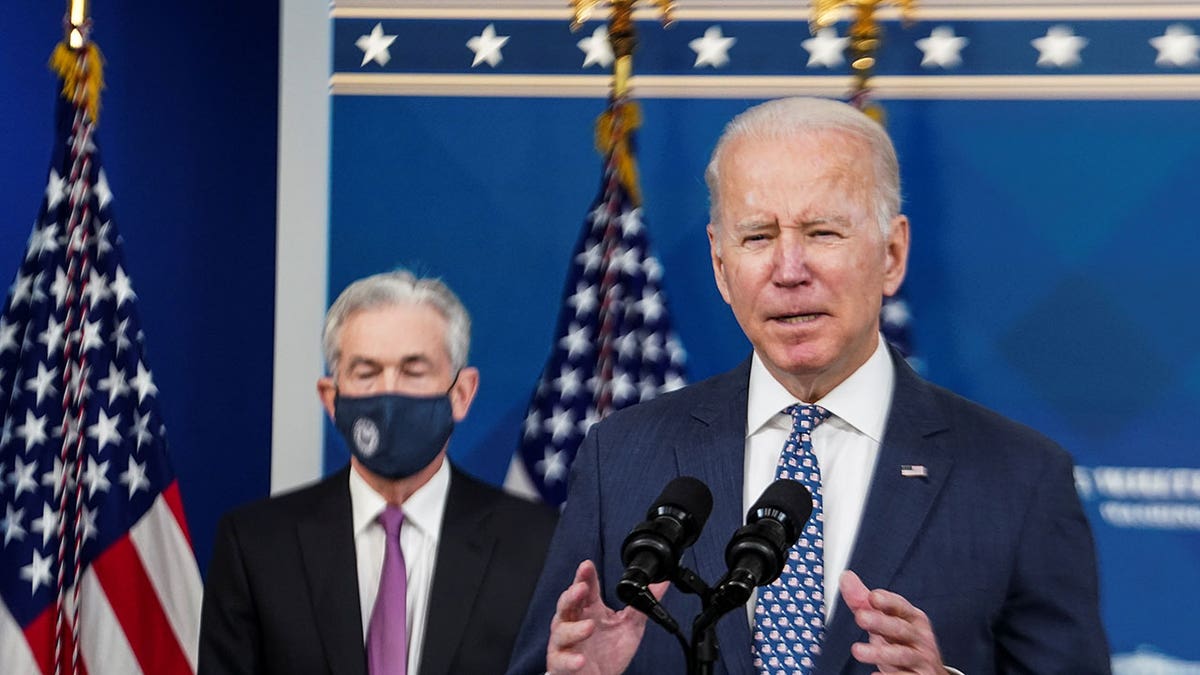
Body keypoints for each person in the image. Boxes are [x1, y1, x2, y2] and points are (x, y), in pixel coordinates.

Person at [507, 97, 1109, 675]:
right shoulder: (621, 458)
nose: (789, 270)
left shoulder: (1020, 478)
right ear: (721, 264)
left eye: (822, 232)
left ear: (892, 254)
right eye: (758, 237)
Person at [200, 270, 558, 675]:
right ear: (331, 399)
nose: (390, 392)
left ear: (461, 393)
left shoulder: (539, 545)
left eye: (413, 370)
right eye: (367, 372)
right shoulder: (256, 546)